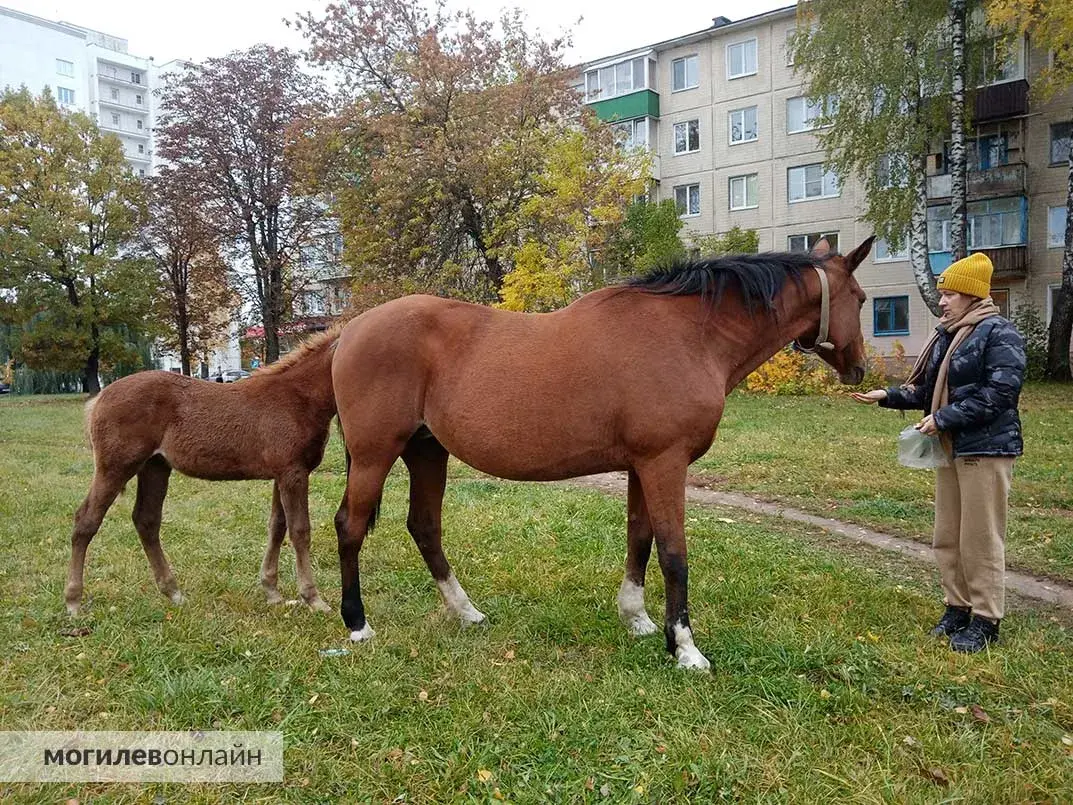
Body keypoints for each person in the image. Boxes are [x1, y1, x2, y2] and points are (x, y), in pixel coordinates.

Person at [852, 253, 1025, 653]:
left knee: (979, 538)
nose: (942, 301)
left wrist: (944, 418)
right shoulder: (948, 334)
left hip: (987, 447)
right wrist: (888, 396)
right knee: (947, 535)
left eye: (950, 294)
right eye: (942, 294)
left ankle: (986, 618)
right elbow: (928, 390)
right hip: (951, 447)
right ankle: (957, 607)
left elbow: (1001, 394)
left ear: (972, 295)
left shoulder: (998, 333)